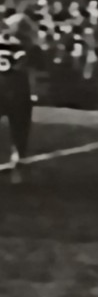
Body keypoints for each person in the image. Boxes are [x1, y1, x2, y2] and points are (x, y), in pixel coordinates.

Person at [0, 12, 37, 182]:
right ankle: (18, 159)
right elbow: (26, 66)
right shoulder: (25, 46)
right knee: (20, 127)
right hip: (17, 90)